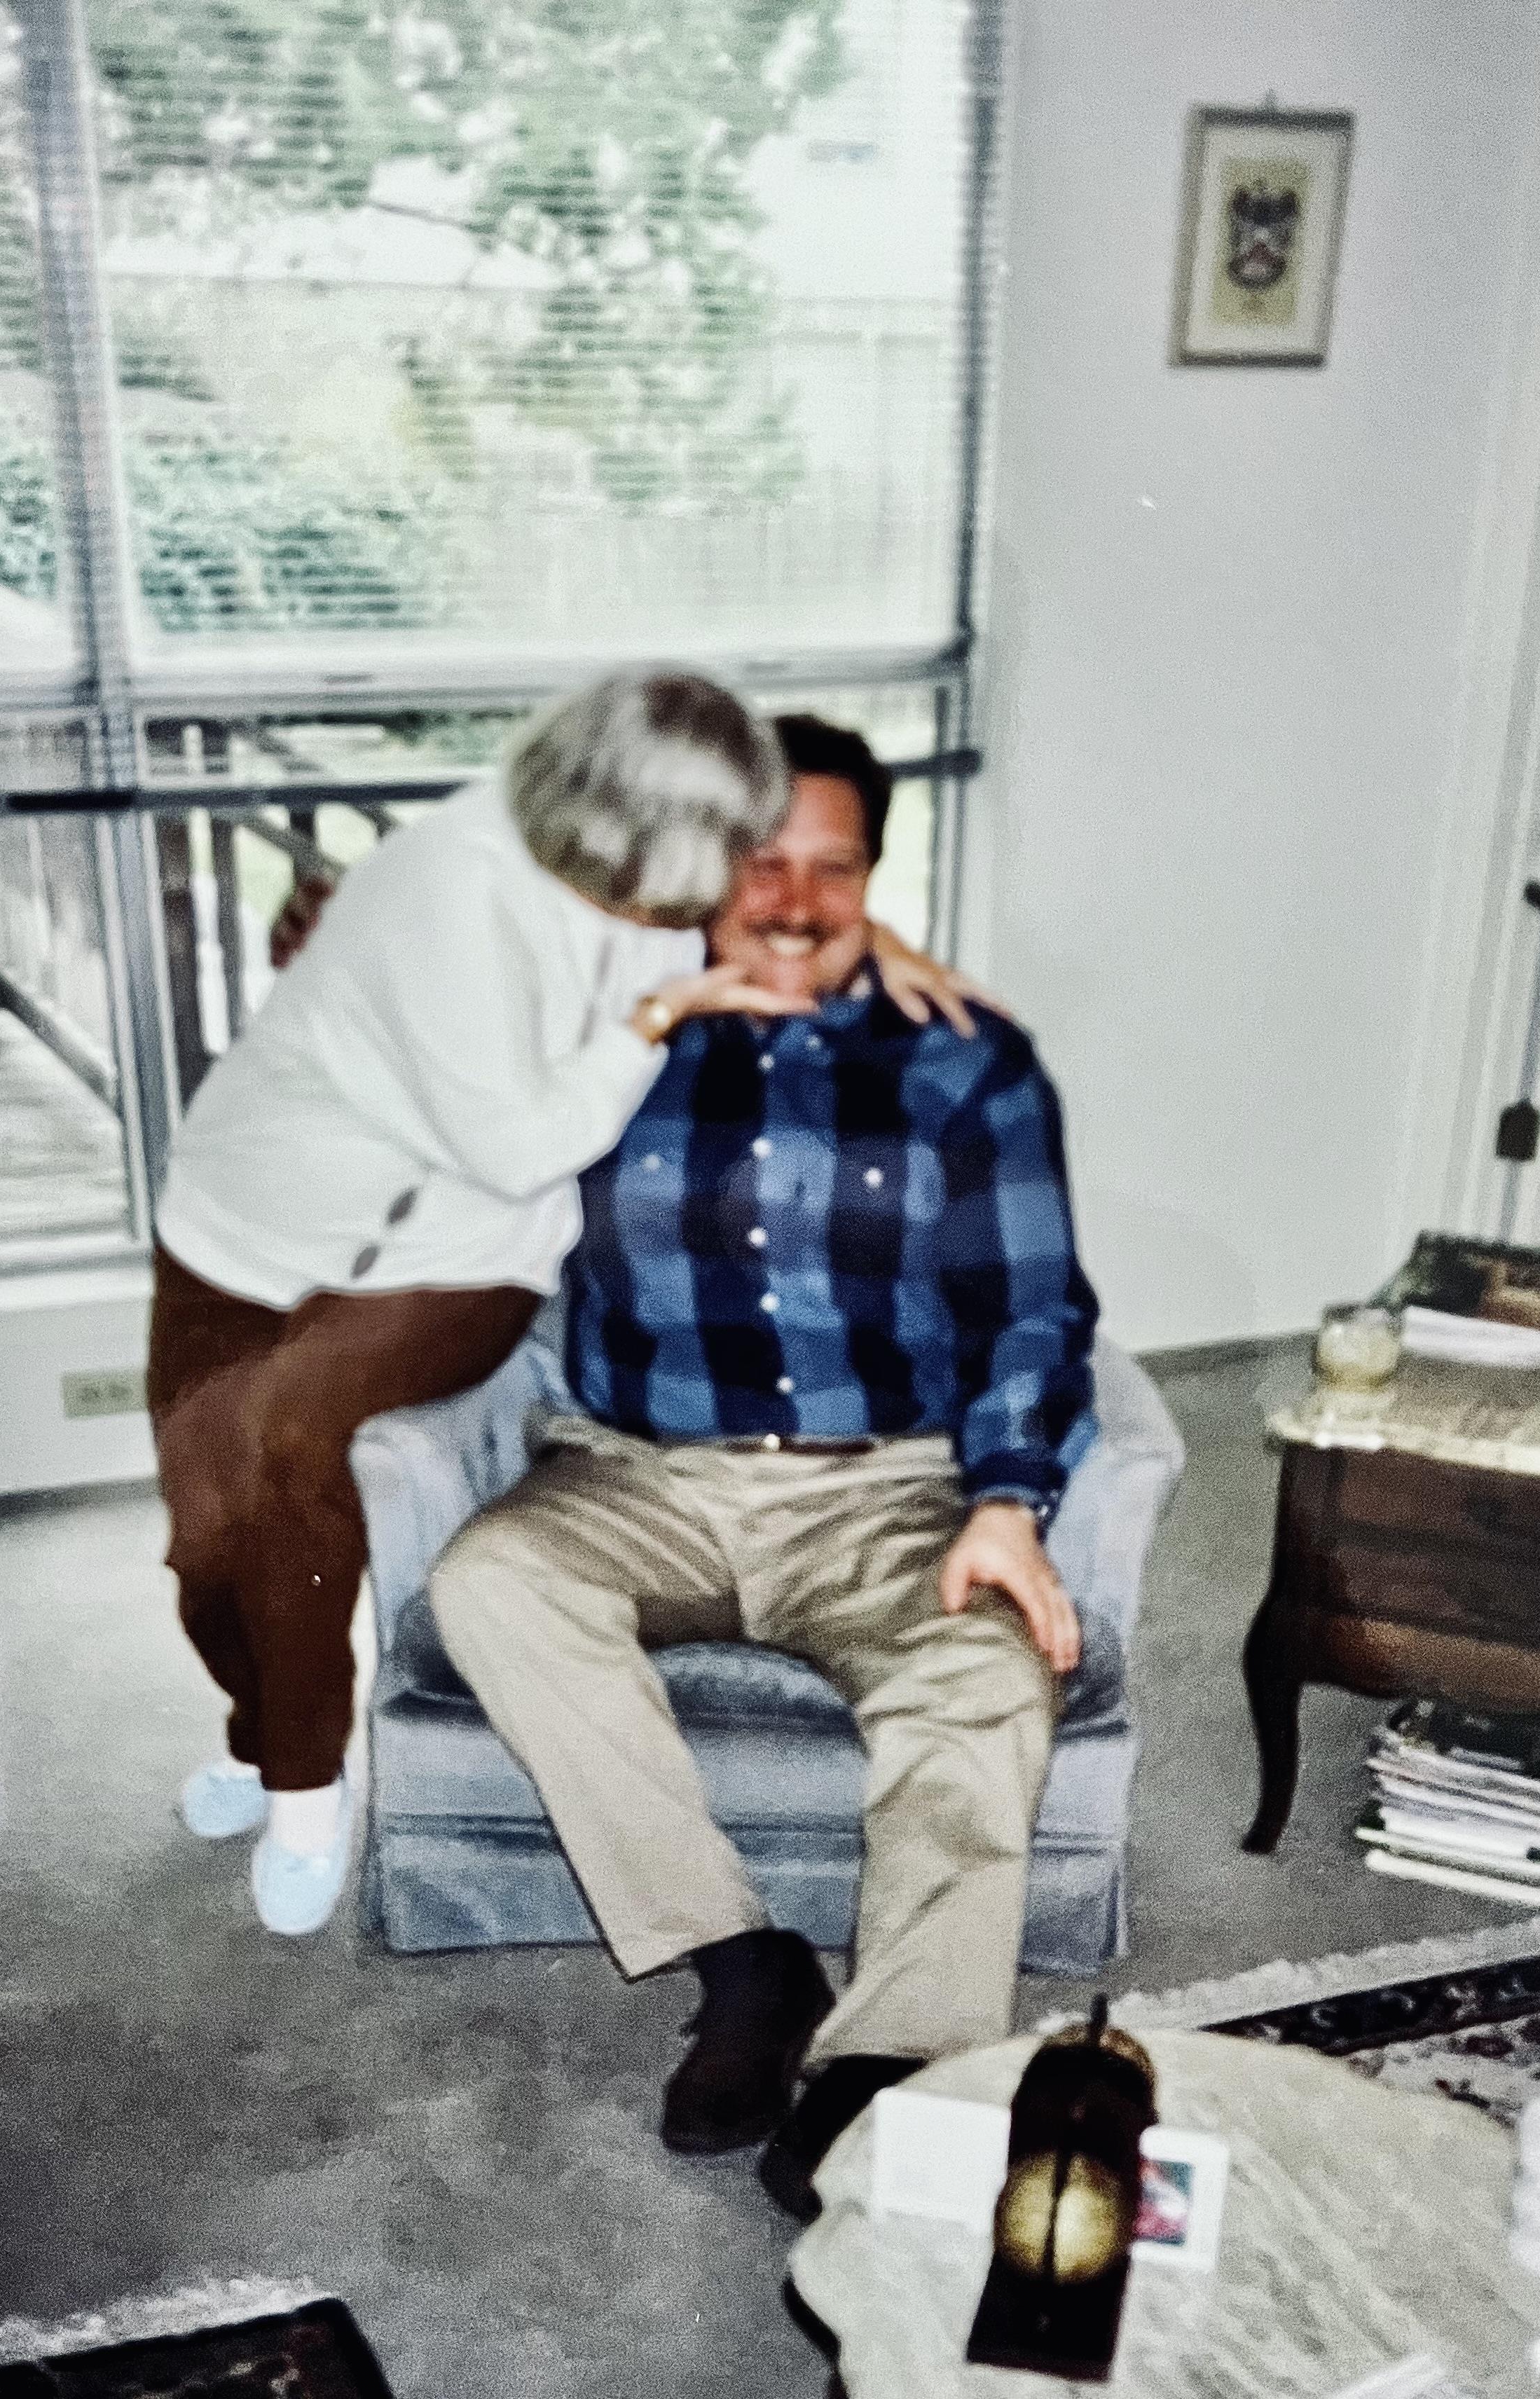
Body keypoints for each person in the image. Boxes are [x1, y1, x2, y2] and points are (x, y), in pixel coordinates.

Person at [150, 671, 976, 1939]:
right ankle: (266, 1746)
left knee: (291, 1446)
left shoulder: (666, 875)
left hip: (463, 1251)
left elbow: (795, 915)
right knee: (206, 1537)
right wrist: (655, 1013)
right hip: (250, 1220)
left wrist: (892, 951)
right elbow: (522, 1130)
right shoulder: (446, 895)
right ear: (596, 829)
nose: (694, 910)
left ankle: (309, 1791)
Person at [425, 711, 1099, 2218]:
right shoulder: (603, 1036)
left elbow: (1033, 1306)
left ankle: (892, 2056)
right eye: (758, 862)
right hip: (640, 1476)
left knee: (990, 1673)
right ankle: (743, 1960)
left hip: (885, 1485)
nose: (796, 900)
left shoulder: (965, 1061)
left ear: (876, 876)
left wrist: (1006, 1501)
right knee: (492, 1579)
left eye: (834, 868)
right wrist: (654, 986)